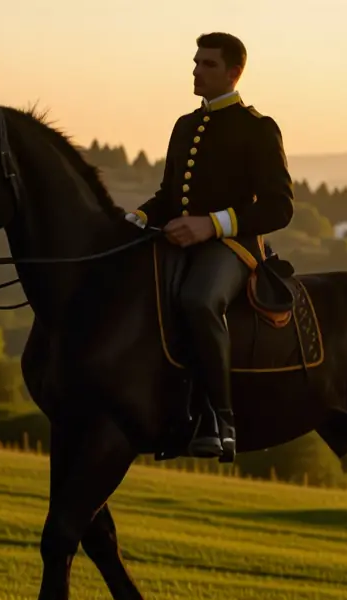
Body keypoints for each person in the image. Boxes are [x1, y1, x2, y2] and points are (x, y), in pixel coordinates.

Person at [126, 32, 294, 462]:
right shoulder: (185, 126)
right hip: (179, 241)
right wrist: (136, 219)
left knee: (199, 300)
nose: (196, 70)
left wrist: (212, 226)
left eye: (208, 64)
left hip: (235, 248)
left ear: (234, 72)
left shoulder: (257, 128)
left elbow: (280, 208)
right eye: (196, 62)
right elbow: (168, 196)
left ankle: (221, 419)